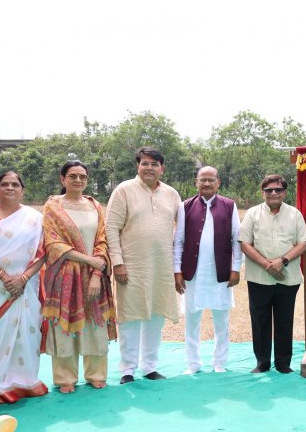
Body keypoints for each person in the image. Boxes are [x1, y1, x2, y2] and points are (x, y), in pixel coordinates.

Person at [106, 147, 181, 384]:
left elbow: (182, 229)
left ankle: (150, 366)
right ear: (138, 166)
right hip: (131, 266)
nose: (149, 168)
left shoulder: (171, 194)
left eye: (154, 164)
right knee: (131, 316)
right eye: (145, 163)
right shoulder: (123, 191)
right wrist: (117, 262)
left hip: (161, 266)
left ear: (162, 168)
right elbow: (111, 228)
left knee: (155, 315)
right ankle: (127, 369)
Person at [42, 160, 116, 393]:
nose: (78, 180)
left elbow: (102, 241)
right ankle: (65, 378)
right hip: (64, 276)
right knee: (65, 324)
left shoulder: (94, 206)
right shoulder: (53, 207)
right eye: (72, 176)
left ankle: (96, 374)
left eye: (82, 176)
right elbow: (53, 243)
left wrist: (96, 273)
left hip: (95, 277)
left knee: (95, 323)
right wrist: (88, 260)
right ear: (62, 179)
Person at [174, 166, 243, 374]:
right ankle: (193, 364)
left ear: (218, 182)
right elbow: (178, 241)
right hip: (192, 273)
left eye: (210, 180)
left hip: (219, 272)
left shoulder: (229, 206)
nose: (206, 183)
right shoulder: (185, 206)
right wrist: (177, 270)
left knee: (221, 320)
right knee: (192, 319)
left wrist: (236, 268)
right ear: (196, 182)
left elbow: (237, 240)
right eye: (202, 180)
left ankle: (219, 362)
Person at [240, 175, 306, 374]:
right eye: (269, 190)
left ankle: (283, 363)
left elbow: (302, 243)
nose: (273, 193)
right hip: (259, 277)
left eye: (278, 190)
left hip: (288, 277)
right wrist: (267, 265)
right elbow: (245, 243)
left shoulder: (295, 214)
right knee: (260, 320)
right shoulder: (252, 214)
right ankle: (262, 362)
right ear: (263, 192)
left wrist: (282, 261)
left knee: (284, 321)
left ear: (284, 192)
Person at [0, 172, 48, 404]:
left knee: (27, 332)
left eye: (15, 184)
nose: (10, 187)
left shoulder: (34, 218)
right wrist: (4, 277)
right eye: (5, 184)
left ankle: (23, 381)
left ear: (22, 190)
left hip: (26, 286)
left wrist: (22, 279)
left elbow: (43, 252)